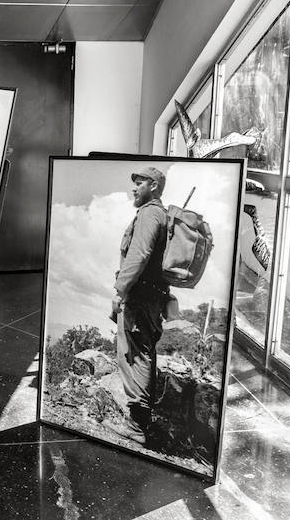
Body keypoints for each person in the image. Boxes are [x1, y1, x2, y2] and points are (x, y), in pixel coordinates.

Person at [107, 166, 172, 447]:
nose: (134, 187)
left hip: (141, 296)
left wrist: (120, 291)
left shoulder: (151, 213)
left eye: (140, 182)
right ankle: (141, 420)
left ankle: (136, 426)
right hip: (149, 296)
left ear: (154, 186)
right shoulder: (157, 214)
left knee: (137, 355)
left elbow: (139, 254)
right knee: (139, 352)